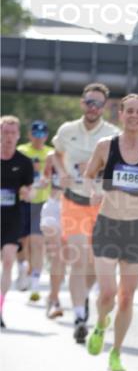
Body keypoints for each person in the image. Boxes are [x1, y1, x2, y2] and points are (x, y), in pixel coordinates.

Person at [83, 94, 138, 371]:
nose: (134, 116)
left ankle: (117, 352)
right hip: (108, 224)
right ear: (120, 114)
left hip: (136, 229)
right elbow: (87, 176)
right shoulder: (105, 147)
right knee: (108, 292)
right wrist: (93, 191)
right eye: (129, 111)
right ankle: (99, 324)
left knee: (126, 297)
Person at [52, 84, 119, 343]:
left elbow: (117, 166)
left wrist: (95, 170)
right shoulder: (67, 130)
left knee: (94, 264)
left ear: (104, 108)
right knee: (77, 260)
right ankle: (79, 316)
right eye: (90, 102)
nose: (93, 108)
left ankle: (84, 297)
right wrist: (64, 172)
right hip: (73, 201)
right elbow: (56, 154)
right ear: (83, 103)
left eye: (98, 104)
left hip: (102, 204)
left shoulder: (113, 135)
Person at [1, 116, 36, 328]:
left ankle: (0, 307)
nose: (9, 137)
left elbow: (29, 191)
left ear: (18, 136)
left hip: (13, 216)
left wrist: (27, 193)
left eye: (13, 133)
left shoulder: (24, 162)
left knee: (7, 260)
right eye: (5, 132)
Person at [17, 119, 51, 300]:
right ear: (29, 134)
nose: (38, 138)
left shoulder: (51, 153)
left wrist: (47, 180)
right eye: (35, 134)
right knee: (23, 241)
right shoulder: (22, 151)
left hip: (41, 202)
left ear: (46, 136)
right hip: (22, 201)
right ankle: (22, 267)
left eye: (42, 134)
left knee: (38, 242)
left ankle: (36, 283)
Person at [40, 150, 66, 318]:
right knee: (57, 255)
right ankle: (55, 299)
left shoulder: (86, 155)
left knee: (65, 257)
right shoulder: (52, 157)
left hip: (74, 209)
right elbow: (45, 179)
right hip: (53, 206)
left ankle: (52, 296)